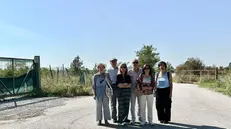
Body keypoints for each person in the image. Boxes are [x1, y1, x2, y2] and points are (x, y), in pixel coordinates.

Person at [128, 59, 142, 124]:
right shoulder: (129, 71)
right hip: (132, 90)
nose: (135, 64)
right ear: (132, 64)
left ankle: (140, 118)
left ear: (138, 63)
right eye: (133, 62)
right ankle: (133, 119)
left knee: (140, 105)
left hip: (139, 90)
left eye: (136, 62)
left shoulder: (141, 70)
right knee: (132, 105)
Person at [107, 58, 119, 123]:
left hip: (119, 87)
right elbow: (107, 79)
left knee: (120, 103)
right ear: (110, 62)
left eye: (115, 61)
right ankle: (114, 118)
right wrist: (110, 86)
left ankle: (121, 117)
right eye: (112, 62)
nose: (114, 62)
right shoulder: (108, 70)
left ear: (116, 62)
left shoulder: (119, 69)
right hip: (112, 87)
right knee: (113, 104)